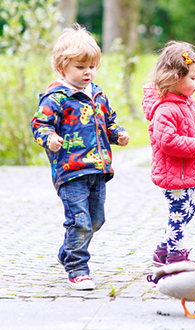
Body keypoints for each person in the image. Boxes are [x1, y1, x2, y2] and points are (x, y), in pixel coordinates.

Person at [30, 24, 130, 290]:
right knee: (80, 221)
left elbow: (108, 124)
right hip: (70, 171)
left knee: (96, 221)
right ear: (62, 68)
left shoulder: (97, 95)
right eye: (80, 67)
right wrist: (49, 138)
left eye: (92, 67)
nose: (88, 72)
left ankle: (67, 251)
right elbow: (40, 125)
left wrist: (117, 134)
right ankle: (77, 269)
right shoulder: (56, 98)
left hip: (98, 170)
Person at [142, 41, 195, 267]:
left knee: (188, 209)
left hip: (187, 172)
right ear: (175, 78)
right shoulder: (166, 108)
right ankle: (175, 253)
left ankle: (162, 250)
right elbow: (167, 141)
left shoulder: (187, 101)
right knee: (179, 211)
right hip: (173, 173)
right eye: (193, 79)